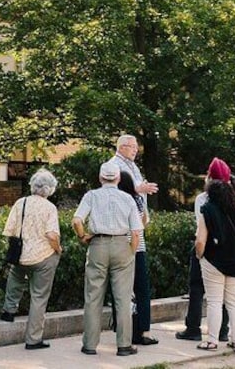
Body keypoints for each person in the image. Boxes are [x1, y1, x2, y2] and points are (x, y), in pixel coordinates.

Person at [73, 162, 144, 357]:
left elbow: (77, 220)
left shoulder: (91, 196)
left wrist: (82, 237)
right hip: (122, 244)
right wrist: (130, 252)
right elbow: (137, 232)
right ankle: (123, 345)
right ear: (119, 178)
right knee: (123, 298)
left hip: (98, 244)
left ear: (100, 177)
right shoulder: (128, 198)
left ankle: (89, 344)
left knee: (93, 297)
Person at [0, 169, 63, 349]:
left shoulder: (21, 202)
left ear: (33, 186)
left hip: (21, 255)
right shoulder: (49, 207)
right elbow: (51, 235)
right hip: (43, 256)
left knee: (15, 275)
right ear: (49, 189)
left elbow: (10, 230)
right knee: (39, 296)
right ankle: (33, 339)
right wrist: (58, 249)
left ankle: (9, 310)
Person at [194, 158, 235, 353]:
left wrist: (199, 255)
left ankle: (211, 340)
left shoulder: (206, 209)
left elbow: (201, 240)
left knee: (215, 301)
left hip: (213, 260)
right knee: (233, 301)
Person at [110, 134, 159, 346]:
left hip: (135, 237)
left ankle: (141, 329)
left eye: (136, 147)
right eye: (131, 147)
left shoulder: (132, 166)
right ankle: (130, 331)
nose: (135, 150)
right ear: (121, 147)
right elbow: (119, 190)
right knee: (128, 287)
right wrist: (139, 189)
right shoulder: (113, 165)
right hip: (127, 238)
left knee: (138, 286)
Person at [175, 158, 231, 342]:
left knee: (197, 288)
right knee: (223, 291)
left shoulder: (202, 199)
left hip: (205, 245)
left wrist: (198, 252)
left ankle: (193, 327)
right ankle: (223, 329)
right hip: (225, 247)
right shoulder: (232, 199)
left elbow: (201, 226)